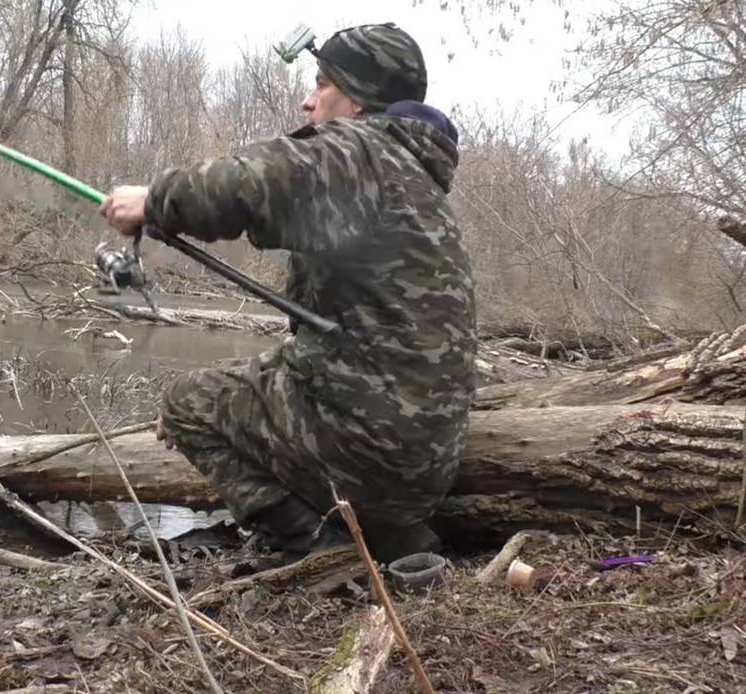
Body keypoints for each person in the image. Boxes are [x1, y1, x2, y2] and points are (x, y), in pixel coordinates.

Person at [99, 23, 476, 563]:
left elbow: (256, 180)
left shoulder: (361, 152)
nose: (308, 101)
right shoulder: (418, 180)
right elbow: (333, 346)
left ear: (359, 100)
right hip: (426, 467)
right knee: (230, 390)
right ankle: (389, 533)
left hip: (371, 457)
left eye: (322, 85)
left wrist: (153, 201)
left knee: (187, 403)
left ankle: (314, 545)